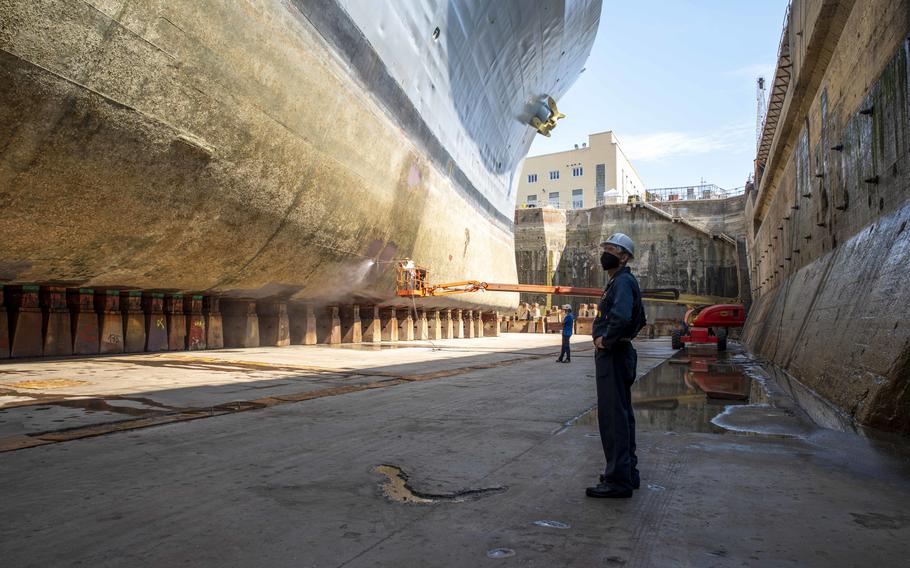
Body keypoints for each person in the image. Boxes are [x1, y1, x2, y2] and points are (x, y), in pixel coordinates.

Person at [587, 233, 647, 499]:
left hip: (613, 354)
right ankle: (626, 473)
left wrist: (605, 340)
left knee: (613, 419)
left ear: (623, 256)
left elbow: (623, 316)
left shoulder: (622, 282)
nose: (605, 253)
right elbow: (641, 318)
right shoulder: (620, 282)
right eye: (605, 248)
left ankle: (617, 480)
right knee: (622, 416)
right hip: (620, 353)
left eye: (611, 249)